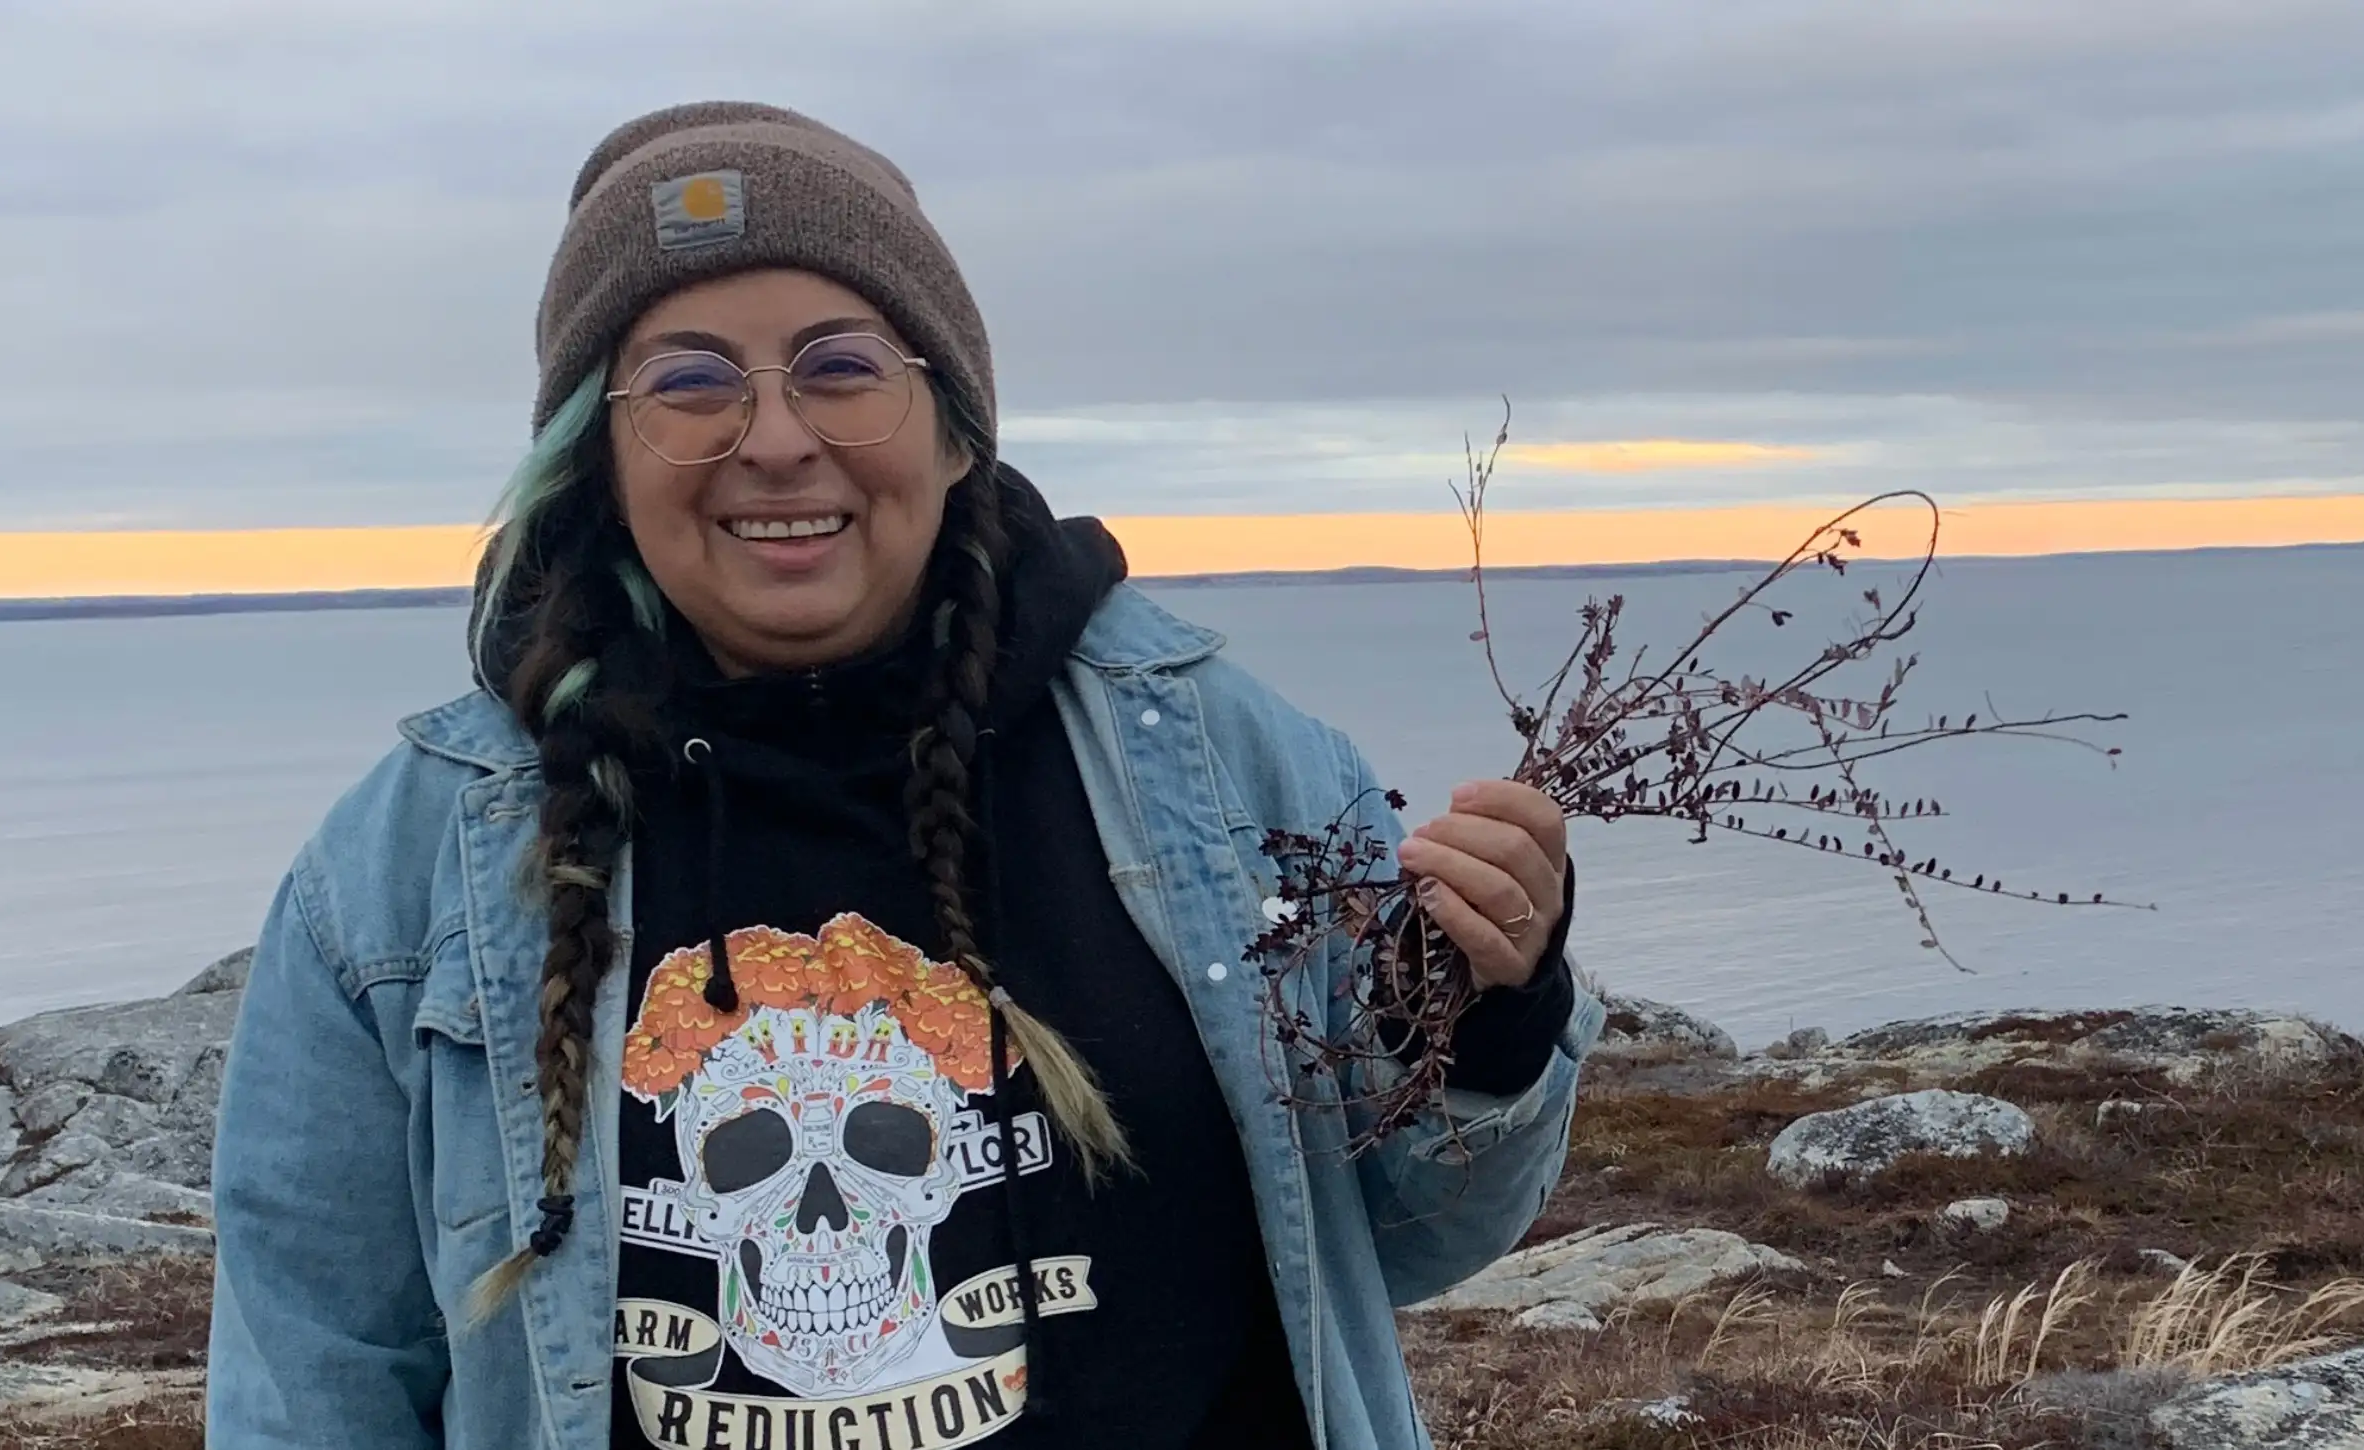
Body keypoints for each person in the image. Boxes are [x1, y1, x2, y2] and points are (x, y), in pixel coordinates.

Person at [204, 102, 1596, 1450]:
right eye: (689, 380)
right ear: (596, 454)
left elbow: (1410, 1233)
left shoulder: (1225, 760)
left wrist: (1477, 1022)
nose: (775, 437)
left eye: (840, 363)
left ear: (953, 422)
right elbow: (309, 1379)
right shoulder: (396, 879)